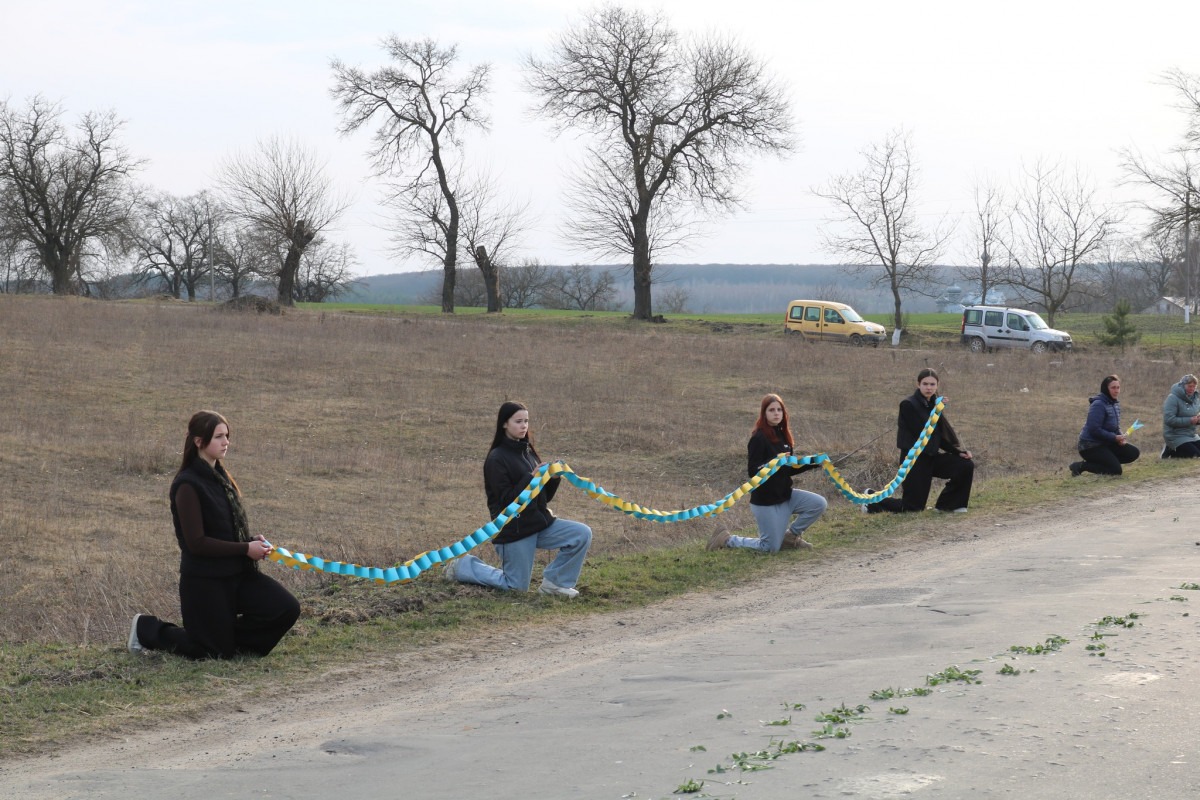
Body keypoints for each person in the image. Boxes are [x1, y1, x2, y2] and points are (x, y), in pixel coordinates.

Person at [128, 411, 300, 659]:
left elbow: (225, 529)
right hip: (205, 582)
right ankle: (146, 628)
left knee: (286, 608)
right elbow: (196, 543)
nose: (226, 442)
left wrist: (251, 542)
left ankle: (231, 643)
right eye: (219, 436)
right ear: (199, 441)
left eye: (227, 436)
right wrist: (245, 549)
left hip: (239, 574)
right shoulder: (187, 485)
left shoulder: (221, 478)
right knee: (210, 652)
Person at [443, 401, 592, 598]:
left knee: (581, 533)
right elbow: (506, 501)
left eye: (526, 421)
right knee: (516, 587)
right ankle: (463, 565)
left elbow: (543, 499)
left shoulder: (528, 452)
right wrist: (531, 477)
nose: (524, 426)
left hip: (539, 524)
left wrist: (553, 480)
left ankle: (555, 584)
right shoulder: (496, 458)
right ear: (504, 424)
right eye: (518, 421)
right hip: (513, 530)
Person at [708, 394, 827, 552]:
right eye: (771, 410)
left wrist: (813, 463)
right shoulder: (758, 438)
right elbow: (753, 471)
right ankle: (727, 539)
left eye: (779, 410)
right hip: (766, 502)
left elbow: (787, 469)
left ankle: (790, 537)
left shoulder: (784, 438)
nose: (776, 413)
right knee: (769, 548)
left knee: (819, 504)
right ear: (764, 414)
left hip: (786, 497)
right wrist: (774, 461)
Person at [867, 368, 974, 513]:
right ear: (918, 384)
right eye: (925, 384)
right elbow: (924, 434)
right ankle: (871, 499)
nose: (929, 388)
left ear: (937, 385)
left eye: (932, 384)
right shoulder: (908, 405)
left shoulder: (933, 405)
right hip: (914, 461)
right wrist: (936, 410)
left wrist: (958, 452)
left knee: (965, 465)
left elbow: (938, 436)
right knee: (913, 508)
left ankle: (949, 505)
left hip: (932, 457)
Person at [1070, 375, 1140, 476]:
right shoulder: (1098, 405)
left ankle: (1108, 463)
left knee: (1133, 452)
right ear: (1106, 389)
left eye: (1118, 387)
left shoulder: (1115, 404)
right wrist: (1114, 437)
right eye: (1113, 388)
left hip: (1106, 443)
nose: (1116, 391)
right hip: (1090, 446)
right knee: (1116, 471)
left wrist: (1120, 437)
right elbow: (1094, 429)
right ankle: (1080, 466)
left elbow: (1115, 427)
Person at [1161, 374, 1200, 459]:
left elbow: (1195, 416)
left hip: (1191, 435)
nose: (1192, 389)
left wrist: (1198, 420)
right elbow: (1169, 420)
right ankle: (1170, 449)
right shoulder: (1172, 398)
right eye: (1190, 386)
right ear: (1183, 385)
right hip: (1175, 436)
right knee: (1195, 456)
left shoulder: (1195, 399)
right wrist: (1189, 420)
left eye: (1194, 386)